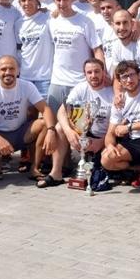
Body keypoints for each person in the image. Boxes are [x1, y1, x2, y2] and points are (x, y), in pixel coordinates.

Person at [0, 56, 56, 180]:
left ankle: (35, 167)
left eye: (11, 69)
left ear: (18, 71)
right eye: (3, 69)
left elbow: (45, 109)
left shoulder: (27, 86)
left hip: (20, 132)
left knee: (44, 124)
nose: (8, 72)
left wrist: (52, 130)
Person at [46, 58, 115, 188]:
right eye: (89, 72)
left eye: (96, 71)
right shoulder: (80, 88)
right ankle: (56, 173)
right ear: (85, 74)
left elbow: (118, 123)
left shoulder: (112, 92)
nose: (93, 75)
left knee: (108, 162)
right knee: (59, 127)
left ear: (103, 72)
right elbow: (62, 111)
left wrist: (102, 142)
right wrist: (69, 132)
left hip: (107, 138)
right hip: (85, 134)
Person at [101, 60, 140, 199]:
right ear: (119, 81)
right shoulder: (120, 100)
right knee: (106, 159)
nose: (129, 80)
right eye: (124, 77)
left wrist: (129, 127)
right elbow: (110, 133)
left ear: (139, 76)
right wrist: (110, 145)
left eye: (132, 75)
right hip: (133, 141)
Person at [46, 0, 104, 112]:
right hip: (57, 81)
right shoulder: (52, 22)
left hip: (79, 82)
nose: (62, 3)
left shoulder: (85, 21)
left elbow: (97, 50)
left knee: (78, 123)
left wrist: (102, 73)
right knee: (54, 121)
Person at [16, 0, 54, 98]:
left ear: (36, 0)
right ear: (19, 3)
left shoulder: (48, 17)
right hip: (25, 77)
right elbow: (19, 48)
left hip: (45, 78)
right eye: (23, 0)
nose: (27, 3)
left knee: (46, 113)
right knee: (27, 114)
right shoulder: (18, 23)